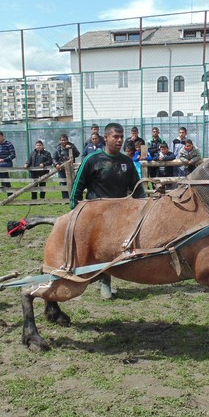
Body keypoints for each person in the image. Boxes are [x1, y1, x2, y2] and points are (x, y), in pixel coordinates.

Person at [71, 122, 146, 300]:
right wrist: (74, 212)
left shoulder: (126, 162)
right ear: (106, 138)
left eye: (121, 137)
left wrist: (144, 207)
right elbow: (77, 187)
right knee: (88, 251)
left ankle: (105, 282)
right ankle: (74, 279)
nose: (120, 140)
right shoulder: (92, 160)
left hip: (119, 215)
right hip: (95, 215)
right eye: (116, 137)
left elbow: (137, 189)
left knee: (112, 251)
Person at [54, 134, 80, 199]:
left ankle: (73, 197)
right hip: (61, 169)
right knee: (63, 183)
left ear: (67, 140)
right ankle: (65, 198)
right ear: (60, 141)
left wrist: (71, 148)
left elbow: (77, 154)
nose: (63, 141)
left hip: (70, 168)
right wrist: (56, 164)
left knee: (73, 182)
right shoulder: (57, 148)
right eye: (62, 140)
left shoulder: (72, 146)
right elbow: (54, 158)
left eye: (65, 140)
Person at [0, 131, 16, 198]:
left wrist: (3, 159)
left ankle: (3, 183)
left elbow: (13, 155)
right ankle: (10, 195)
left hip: (7, 162)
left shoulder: (9, 144)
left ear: (3, 136)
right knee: (6, 177)